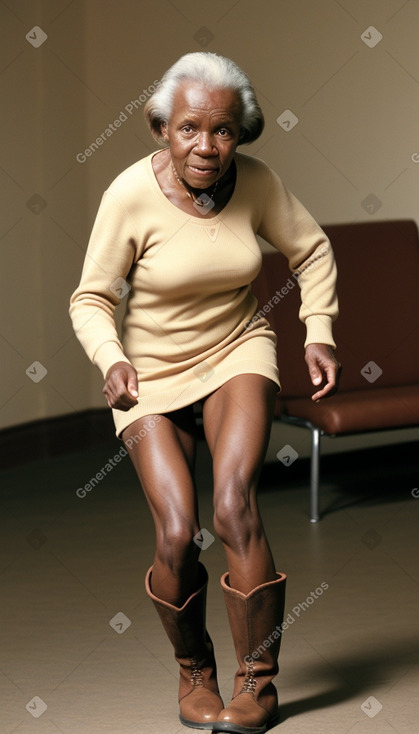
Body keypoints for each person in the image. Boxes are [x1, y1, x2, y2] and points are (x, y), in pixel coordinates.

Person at [69, 51, 340, 733]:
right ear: (161, 126)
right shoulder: (129, 194)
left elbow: (310, 251)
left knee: (232, 506)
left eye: (223, 130)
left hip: (237, 352)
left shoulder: (257, 182)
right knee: (174, 531)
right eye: (190, 127)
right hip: (150, 370)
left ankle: (257, 684)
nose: (207, 146)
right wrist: (111, 358)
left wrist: (318, 330)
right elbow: (91, 298)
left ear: (240, 133)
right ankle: (194, 672)